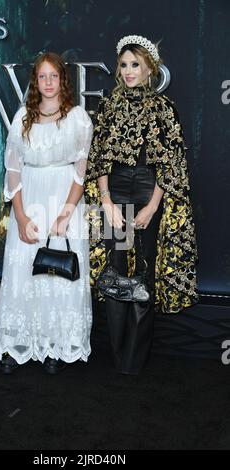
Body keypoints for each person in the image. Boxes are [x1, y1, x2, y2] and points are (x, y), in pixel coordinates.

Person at [84, 35, 199, 375]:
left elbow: (172, 162)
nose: (129, 70)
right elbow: (98, 158)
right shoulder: (108, 105)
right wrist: (107, 201)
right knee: (117, 270)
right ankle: (119, 357)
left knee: (144, 272)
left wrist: (151, 207)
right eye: (124, 65)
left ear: (150, 68)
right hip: (115, 191)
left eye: (135, 64)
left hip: (149, 190)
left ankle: (135, 359)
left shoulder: (164, 108)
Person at [0, 52, 93, 374]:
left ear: (63, 79)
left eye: (54, 76)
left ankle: (57, 346)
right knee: (24, 272)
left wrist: (65, 214)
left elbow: (81, 170)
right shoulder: (22, 116)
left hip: (65, 202)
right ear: (34, 81)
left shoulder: (78, 117)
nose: (48, 82)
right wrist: (20, 217)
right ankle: (16, 345)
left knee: (58, 274)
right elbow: (13, 169)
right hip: (30, 201)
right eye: (42, 76)